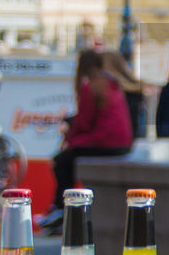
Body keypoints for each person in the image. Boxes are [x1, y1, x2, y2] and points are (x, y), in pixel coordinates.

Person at [49, 49, 133, 216]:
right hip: (121, 143)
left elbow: (84, 123)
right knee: (69, 158)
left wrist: (70, 141)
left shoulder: (90, 86)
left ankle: (61, 208)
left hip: (104, 142)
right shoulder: (111, 84)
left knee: (61, 161)